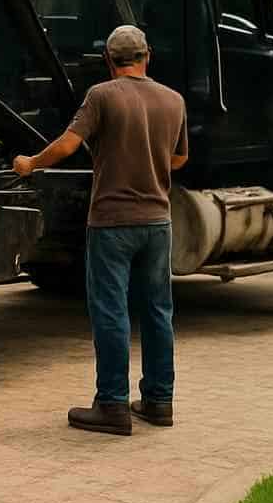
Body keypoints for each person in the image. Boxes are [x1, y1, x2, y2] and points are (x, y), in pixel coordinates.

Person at [12, 25, 188, 436]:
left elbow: (68, 145)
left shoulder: (102, 96)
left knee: (112, 312)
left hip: (112, 223)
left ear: (109, 61)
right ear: (148, 56)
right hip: (158, 223)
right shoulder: (173, 100)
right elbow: (178, 159)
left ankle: (112, 405)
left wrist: (30, 163)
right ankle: (159, 401)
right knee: (158, 312)